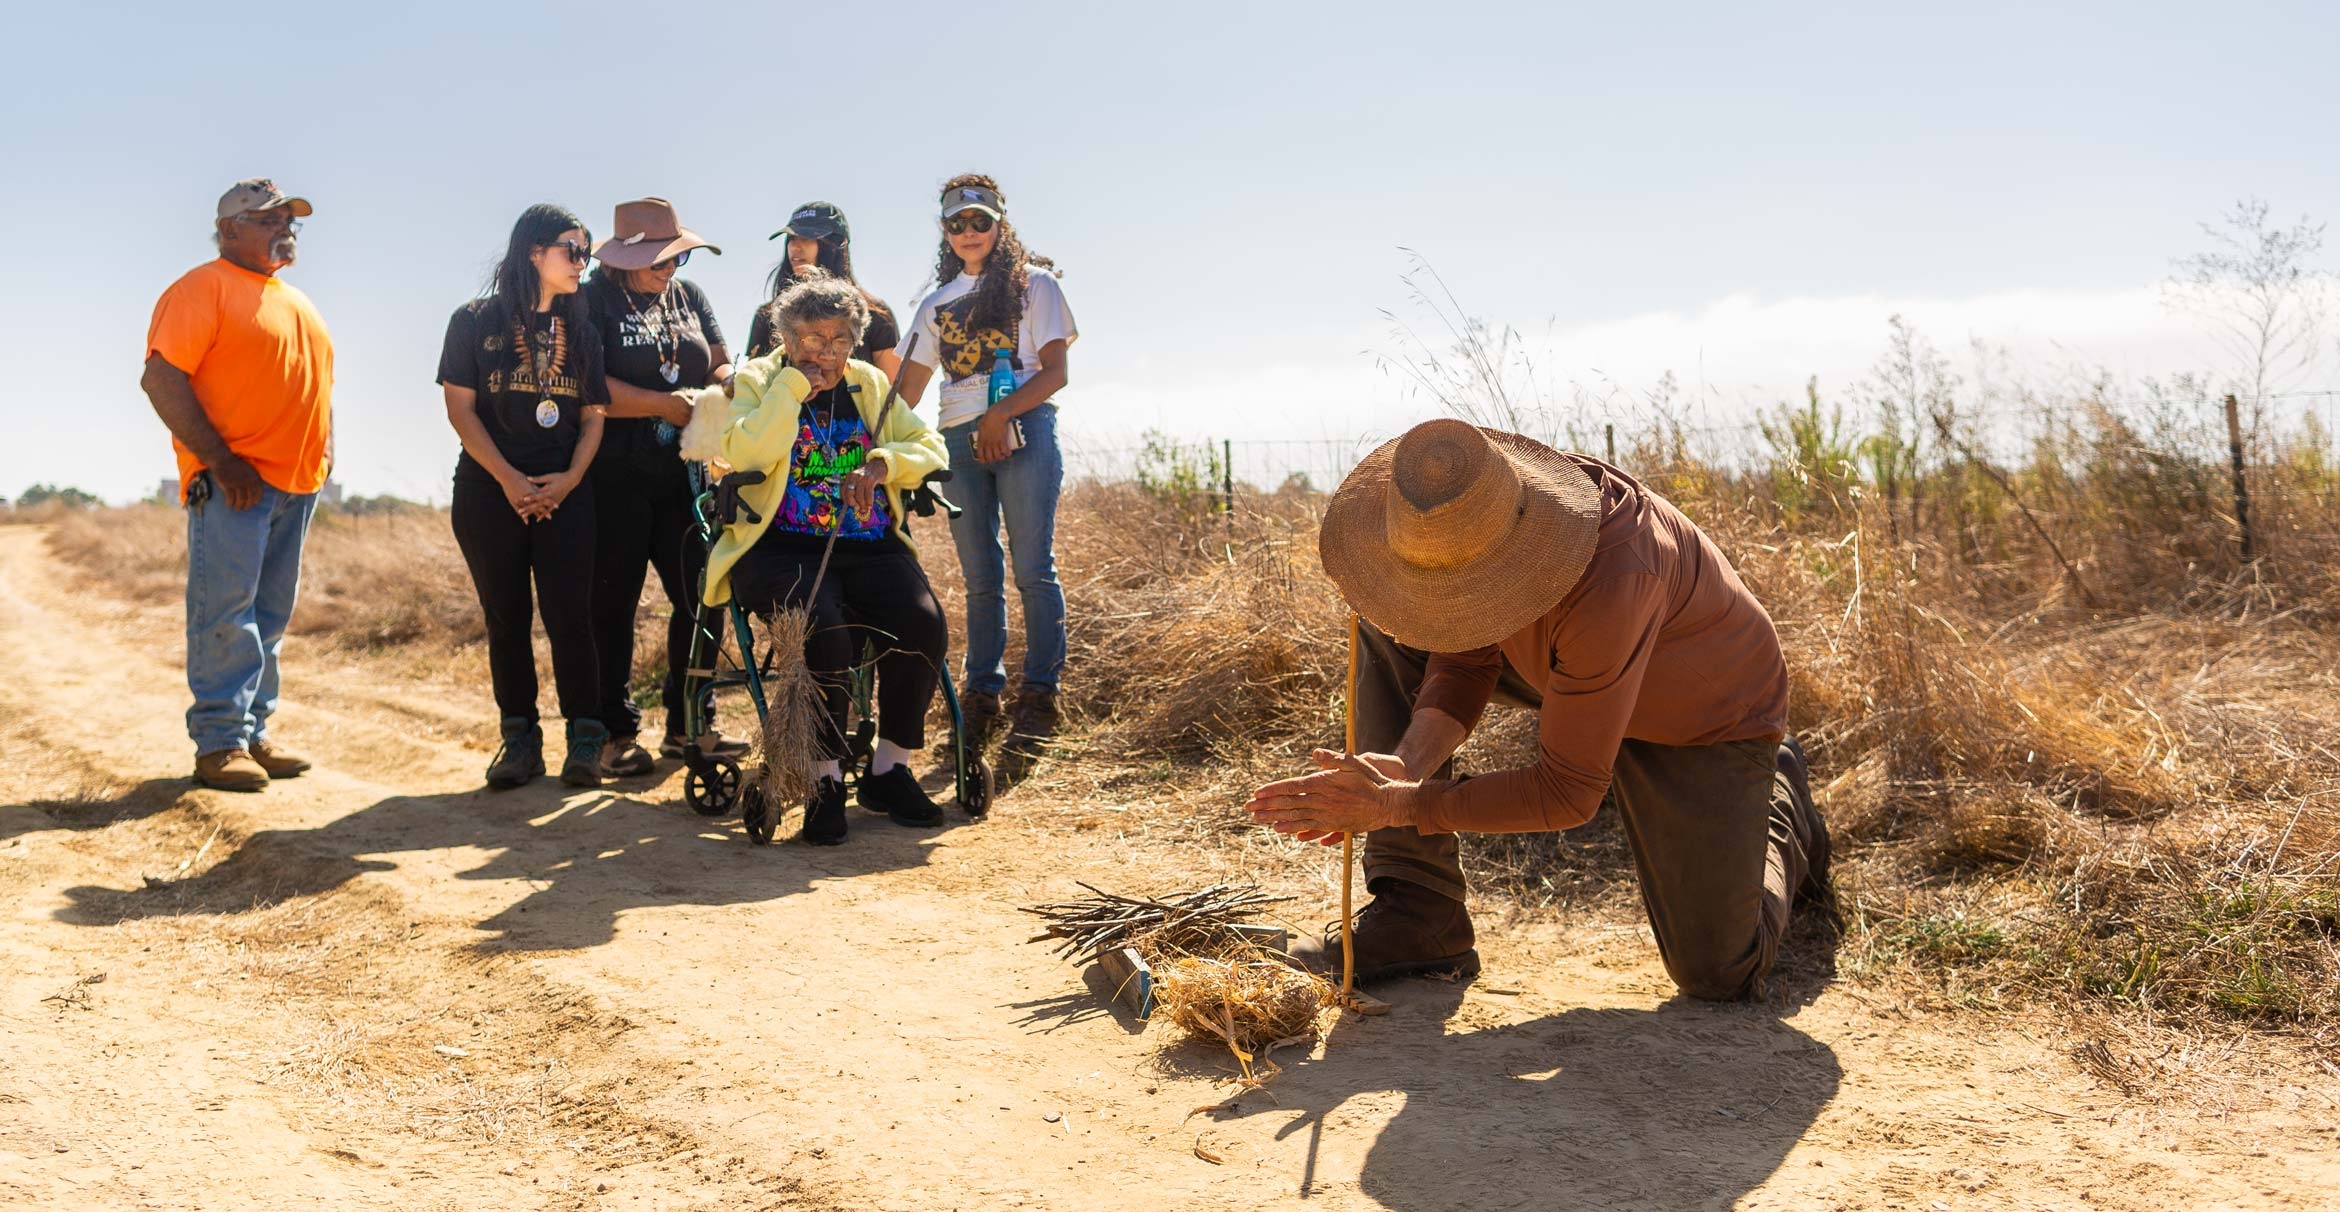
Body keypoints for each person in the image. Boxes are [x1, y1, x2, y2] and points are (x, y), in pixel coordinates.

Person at [1244, 419, 1833, 1001]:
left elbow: (1568, 792)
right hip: (1574, 671)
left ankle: (1782, 797)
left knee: (1718, 973)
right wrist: (1405, 766)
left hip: (1700, 717)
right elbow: (1465, 657)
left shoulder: (1618, 571)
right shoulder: (1487, 518)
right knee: (1397, 628)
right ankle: (1419, 913)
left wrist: (1398, 805)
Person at [703, 274, 951, 845]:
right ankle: (824, 780)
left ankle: (890, 770)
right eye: (814, 339)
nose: (828, 353)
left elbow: (929, 446)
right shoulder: (760, 380)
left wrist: (882, 463)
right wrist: (792, 388)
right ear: (787, 339)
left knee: (922, 622)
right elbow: (743, 450)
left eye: (840, 340)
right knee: (825, 629)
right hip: (779, 547)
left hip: (867, 544)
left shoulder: (867, 383)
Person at [140, 178, 335, 792]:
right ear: (228, 230)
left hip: (294, 485)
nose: (285, 228)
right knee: (226, 612)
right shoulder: (202, 289)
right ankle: (219, 742)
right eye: (268, 220)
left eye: (288, 220)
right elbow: (161, 379)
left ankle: (252, 732)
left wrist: (323, 457)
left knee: (270, 615)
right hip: (235, 483)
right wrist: (221, 462)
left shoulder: (295, 300)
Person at [892, 175, 1077, 767]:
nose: (969, 232)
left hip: (1022, 432)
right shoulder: (934, 304)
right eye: (957, 224)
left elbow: (1054, 373)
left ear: (1000, 223)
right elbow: (907, 391)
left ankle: (1040, 699)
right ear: (944, 233)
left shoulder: (1035, 287)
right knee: (979, 577)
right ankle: (981, 697)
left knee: (1032, 569)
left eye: (980, 221)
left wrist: (999, 415)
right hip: (957, 443)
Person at [437, 204, 612, 789]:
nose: (583, 262)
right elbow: (460, 410)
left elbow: (593, 419)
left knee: (572, 616)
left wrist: (568, 480)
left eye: (586, 251)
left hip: (567, 491)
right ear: (534, 252)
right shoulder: (473, 321)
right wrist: (510, 479)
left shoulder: (581, 331)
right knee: (506, 616)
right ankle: (519, 744)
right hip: (490, 491)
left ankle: (585, 742)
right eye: (573, 249)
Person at [583, 197, 747, 776]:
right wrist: (660, 404)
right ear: (623, 258)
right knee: (613, 604)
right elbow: (588, 384)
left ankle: (690, 725)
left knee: (704, 595)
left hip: (686, 475)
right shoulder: (591, 301)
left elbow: (718, 362)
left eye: (676, 258)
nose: (670, 269)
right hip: (612, 477)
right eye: (658, 259)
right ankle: (614, 734)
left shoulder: (689, 297)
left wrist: (734, 384)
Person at [742, 202, 902, 378]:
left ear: (835, 245)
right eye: (792, 239)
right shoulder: (768, 316)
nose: (795, 248)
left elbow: (893, 394)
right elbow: (752, 388)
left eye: (807, 238)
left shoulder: (876, 315)